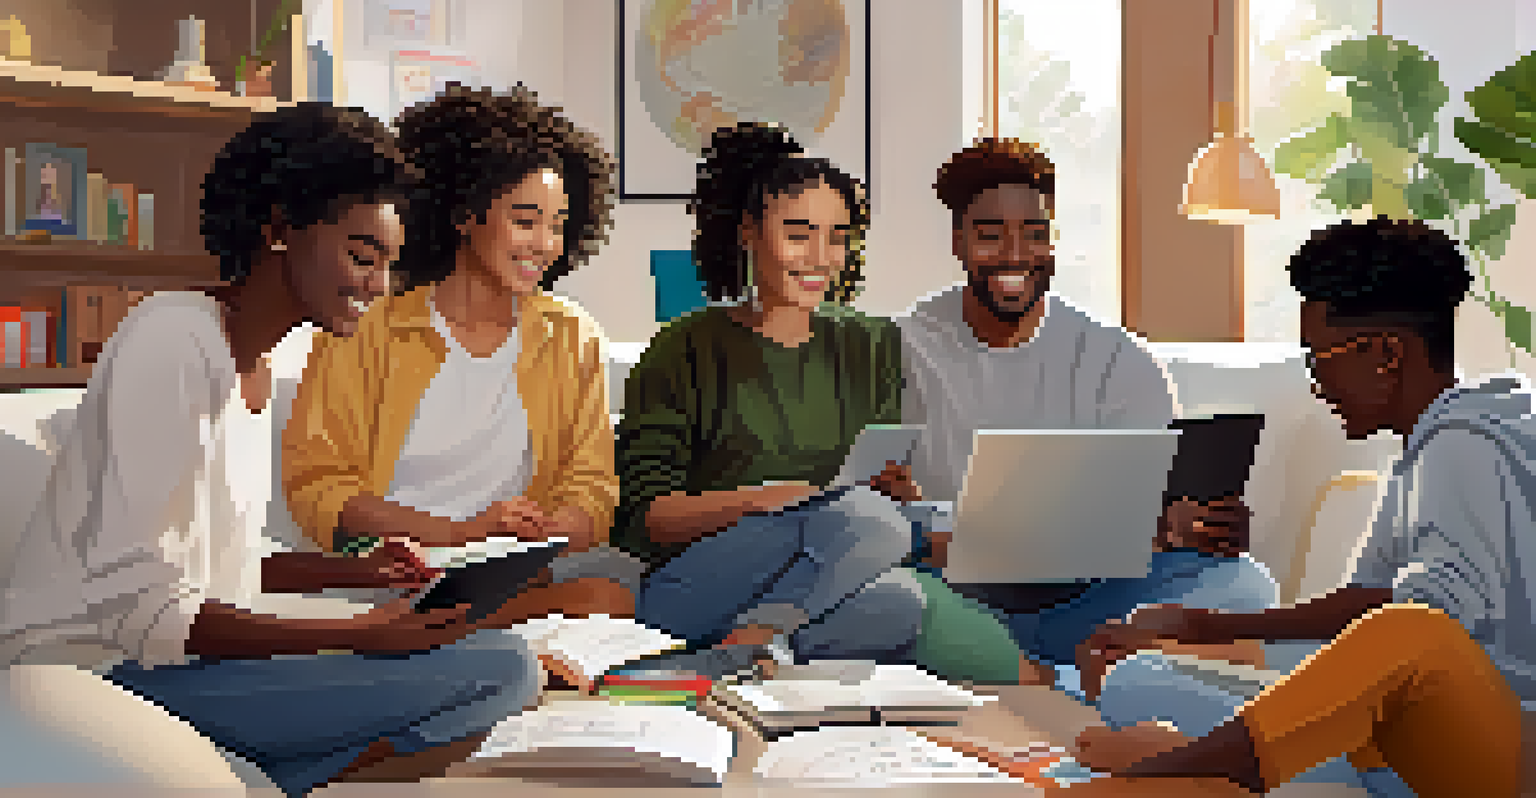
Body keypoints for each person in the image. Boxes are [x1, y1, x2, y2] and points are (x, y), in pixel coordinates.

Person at [0, 103, 539, 797]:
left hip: (186, 662)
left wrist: (357, 575)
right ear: (280, 227)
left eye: (389, 266)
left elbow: (216, 558)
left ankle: (280, 770)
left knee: (494, 661)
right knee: (500, 669)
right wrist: (357, 637)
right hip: (105, 672)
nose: (378, 288)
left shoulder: (256, 363)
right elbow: (141, 609)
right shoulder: (172, 341)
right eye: (361, 256)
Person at [1067, 217, 1528, 798]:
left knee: (1139, 688)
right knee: (1140, 675)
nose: (1317, 385)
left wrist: (1207, 631)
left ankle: (1191, 765)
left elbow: (1417, 637)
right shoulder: (1446, 440)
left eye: (1319, 359)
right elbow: (1356, 638)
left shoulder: (1463, 450)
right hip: (1415, 713)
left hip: (1485, 750)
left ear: (1386, 354)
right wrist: (1193, 638)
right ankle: (1218, 755)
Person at [893, 138, 1275, 689]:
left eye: (1035, 232)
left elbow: (1153, 507)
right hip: (956, 597)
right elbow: (871, 507)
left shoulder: (1120, 360)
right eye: (991, 233)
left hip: (1092, 597)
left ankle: (1066, 672)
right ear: (958, 241)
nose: (1015, 255)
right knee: (882, 597)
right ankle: (1080, 677)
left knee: (1245, 587)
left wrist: (1191, 525)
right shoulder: (902, 350)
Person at [283, 85, 635, 626]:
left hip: (508, 568)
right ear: (465, 214)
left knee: (616, 582)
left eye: (557, 225)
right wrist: (457, 533)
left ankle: (450, 628)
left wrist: (546, 531)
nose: (543, 243)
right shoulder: (368, 324)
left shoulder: (572, 335)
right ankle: (441, 627)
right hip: (398, 560)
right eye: (525, 221)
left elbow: (592, 488)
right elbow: (320, 487)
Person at [612, 121, 928, 676]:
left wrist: (892, 489)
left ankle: (744, 651)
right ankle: (760, 638)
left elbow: (870, 487)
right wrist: (768, 500)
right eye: (799, 233)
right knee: (864, 523)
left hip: (819, 574)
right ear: (749, 232)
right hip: (697, 579)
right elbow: (651, 518)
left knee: (900, 603)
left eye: (836, 236)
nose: (820, 256)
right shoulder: (685, 346)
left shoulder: (871, 343)